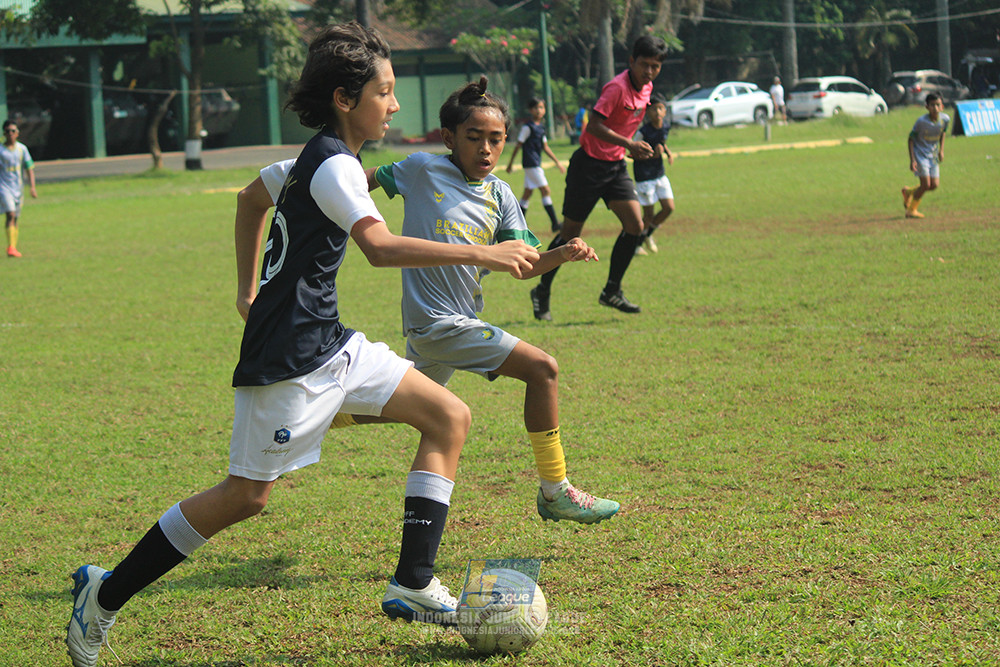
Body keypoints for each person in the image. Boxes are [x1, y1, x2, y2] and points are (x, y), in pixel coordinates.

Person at [66, 23, 540, 667]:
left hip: (333, 343)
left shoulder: (313, 160)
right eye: (385, 92)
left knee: (448, 416)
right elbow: (379, 249)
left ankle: (413, 580)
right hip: (288, 359)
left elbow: (248, 198)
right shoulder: (335, 168)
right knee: (245, 496)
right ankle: (105, 595)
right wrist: (486, 249)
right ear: (347, 100)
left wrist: (246, 288)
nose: (396, 105)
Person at [252, 77, 619, 526]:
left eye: (496, 140)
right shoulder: (421, 168)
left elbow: (523, 265)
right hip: (436, 324)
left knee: (408, 406)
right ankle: (555, 489)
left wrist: (562, 252)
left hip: (458, 321)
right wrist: (301, 190)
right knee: (543, 368)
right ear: (449, 138)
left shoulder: (502, 195)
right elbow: (351, 181)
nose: (486, 149)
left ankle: (321, 417)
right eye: (474, 137)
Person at [530, 34, 669, 320]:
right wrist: (628, 143)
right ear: (632, 61)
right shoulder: (616, 88)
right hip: (588, 167)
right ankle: (541, 290)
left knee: (635, 225)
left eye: (656, 66)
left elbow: (625, 125)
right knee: (570, 236)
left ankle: (611, 291)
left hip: (615, 166)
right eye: (645, 64)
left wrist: (629, 147)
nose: (649, 71)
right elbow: (593, 126)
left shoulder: (647, 89)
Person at [505, 97, 565, 233]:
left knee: (527, 193)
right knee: (546, 190)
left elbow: (545, 147)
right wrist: (510, 164)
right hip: (531, 163)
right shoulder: (528, 127)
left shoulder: (541, 128)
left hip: (535, 163)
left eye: (542, 107)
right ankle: (555, 223)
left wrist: (557, 162)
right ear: (531, 110)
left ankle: (517, 224)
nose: (540, 110)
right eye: (537, 107)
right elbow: (518, 145)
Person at [631, 96, 674, 256]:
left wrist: (667, 153)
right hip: (644, 177)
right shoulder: (643, 132)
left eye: (660, 108)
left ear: (664, 110)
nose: (657, 112)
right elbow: (632, 154)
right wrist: (651, 156)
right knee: (648, 215)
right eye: (653, 109)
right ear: (647, 112)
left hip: (659, 174)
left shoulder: (665, 127)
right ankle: (637, 244)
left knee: (668, 208)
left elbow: (662, 142)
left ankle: (646, 235)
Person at [901, 93, 949, 219]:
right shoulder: (921, 122)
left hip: (932, 155)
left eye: (938, 105)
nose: (935, 108)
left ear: (942, 106)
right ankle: (911, 210)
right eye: (932, 105)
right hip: (920, 154)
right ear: (927, 107)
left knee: (934, 185)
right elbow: (911, 139)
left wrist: (941, 150)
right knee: (926, 184)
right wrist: (912, 160)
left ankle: (909, 192)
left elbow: (943, 132)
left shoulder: (945, 119)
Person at [1, 119, 38, 258]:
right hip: (3, 188)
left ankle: (13, 247)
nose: (10, 134)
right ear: (4, 133)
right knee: (10, 214)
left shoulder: (22, 149)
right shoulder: (0, 149)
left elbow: (29, 168)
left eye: (13, 131)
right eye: (8, 131)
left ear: (17, 133)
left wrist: (32, 187)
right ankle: (10, 248)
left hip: (18, 188)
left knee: (15, 218)